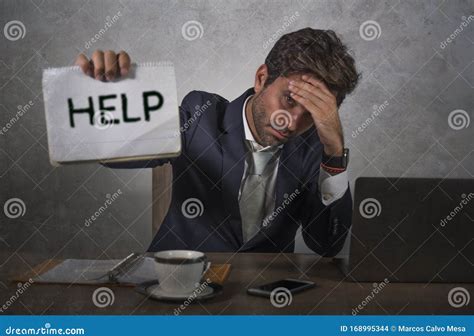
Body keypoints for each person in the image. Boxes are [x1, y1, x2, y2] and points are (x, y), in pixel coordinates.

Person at [75, 28, 359, 255]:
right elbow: (111, 151)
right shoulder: (200, 116)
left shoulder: (313, 150)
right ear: (262, 79)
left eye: (311, 113)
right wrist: (107, 99)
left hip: (263, 299)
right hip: (177, 290)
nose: (294, 122)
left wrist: (334, 153)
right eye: (290, 99)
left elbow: (326, 245)